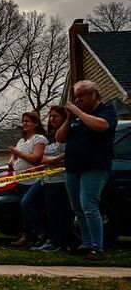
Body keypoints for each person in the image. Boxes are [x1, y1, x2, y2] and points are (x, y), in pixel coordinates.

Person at [56, 80, 117, 260]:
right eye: (76, 96)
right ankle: (87, 243)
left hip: (94, 168)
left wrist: (78, 113)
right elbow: (60, 138)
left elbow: (101, 126)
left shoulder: (106, 111)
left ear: (94, 95)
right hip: (72, 169)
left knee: (89, 206)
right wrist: (69, 119)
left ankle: (97, 247)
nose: (77, 99)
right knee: (78, 209)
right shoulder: (76, 119)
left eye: (81, 95)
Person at [21, 106, 72, 253]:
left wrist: (53, 160)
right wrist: (45, 163)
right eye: (50, 116)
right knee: (27, 202)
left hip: (58, 180)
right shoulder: (50, 136)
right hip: (44, 178)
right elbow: (42, 158)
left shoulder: (69, 134)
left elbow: (68, 153)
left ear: (63, 117)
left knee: (54, 212)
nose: (52, 119)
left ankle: (56, 242)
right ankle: (41, 234)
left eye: (56, 116)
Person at [6, 111, 47, 248]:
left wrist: (17, 153)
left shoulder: (39, 139)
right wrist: (12, 160)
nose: (24, 123)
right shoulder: (21, 141)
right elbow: (14, 157)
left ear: (35, 123)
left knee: (27, 204)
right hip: (20, 179)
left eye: (27, 121)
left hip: (34, 180)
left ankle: (40, 233)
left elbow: (35, 158)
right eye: (23, 121)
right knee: (23, 209)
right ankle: (26, 235)